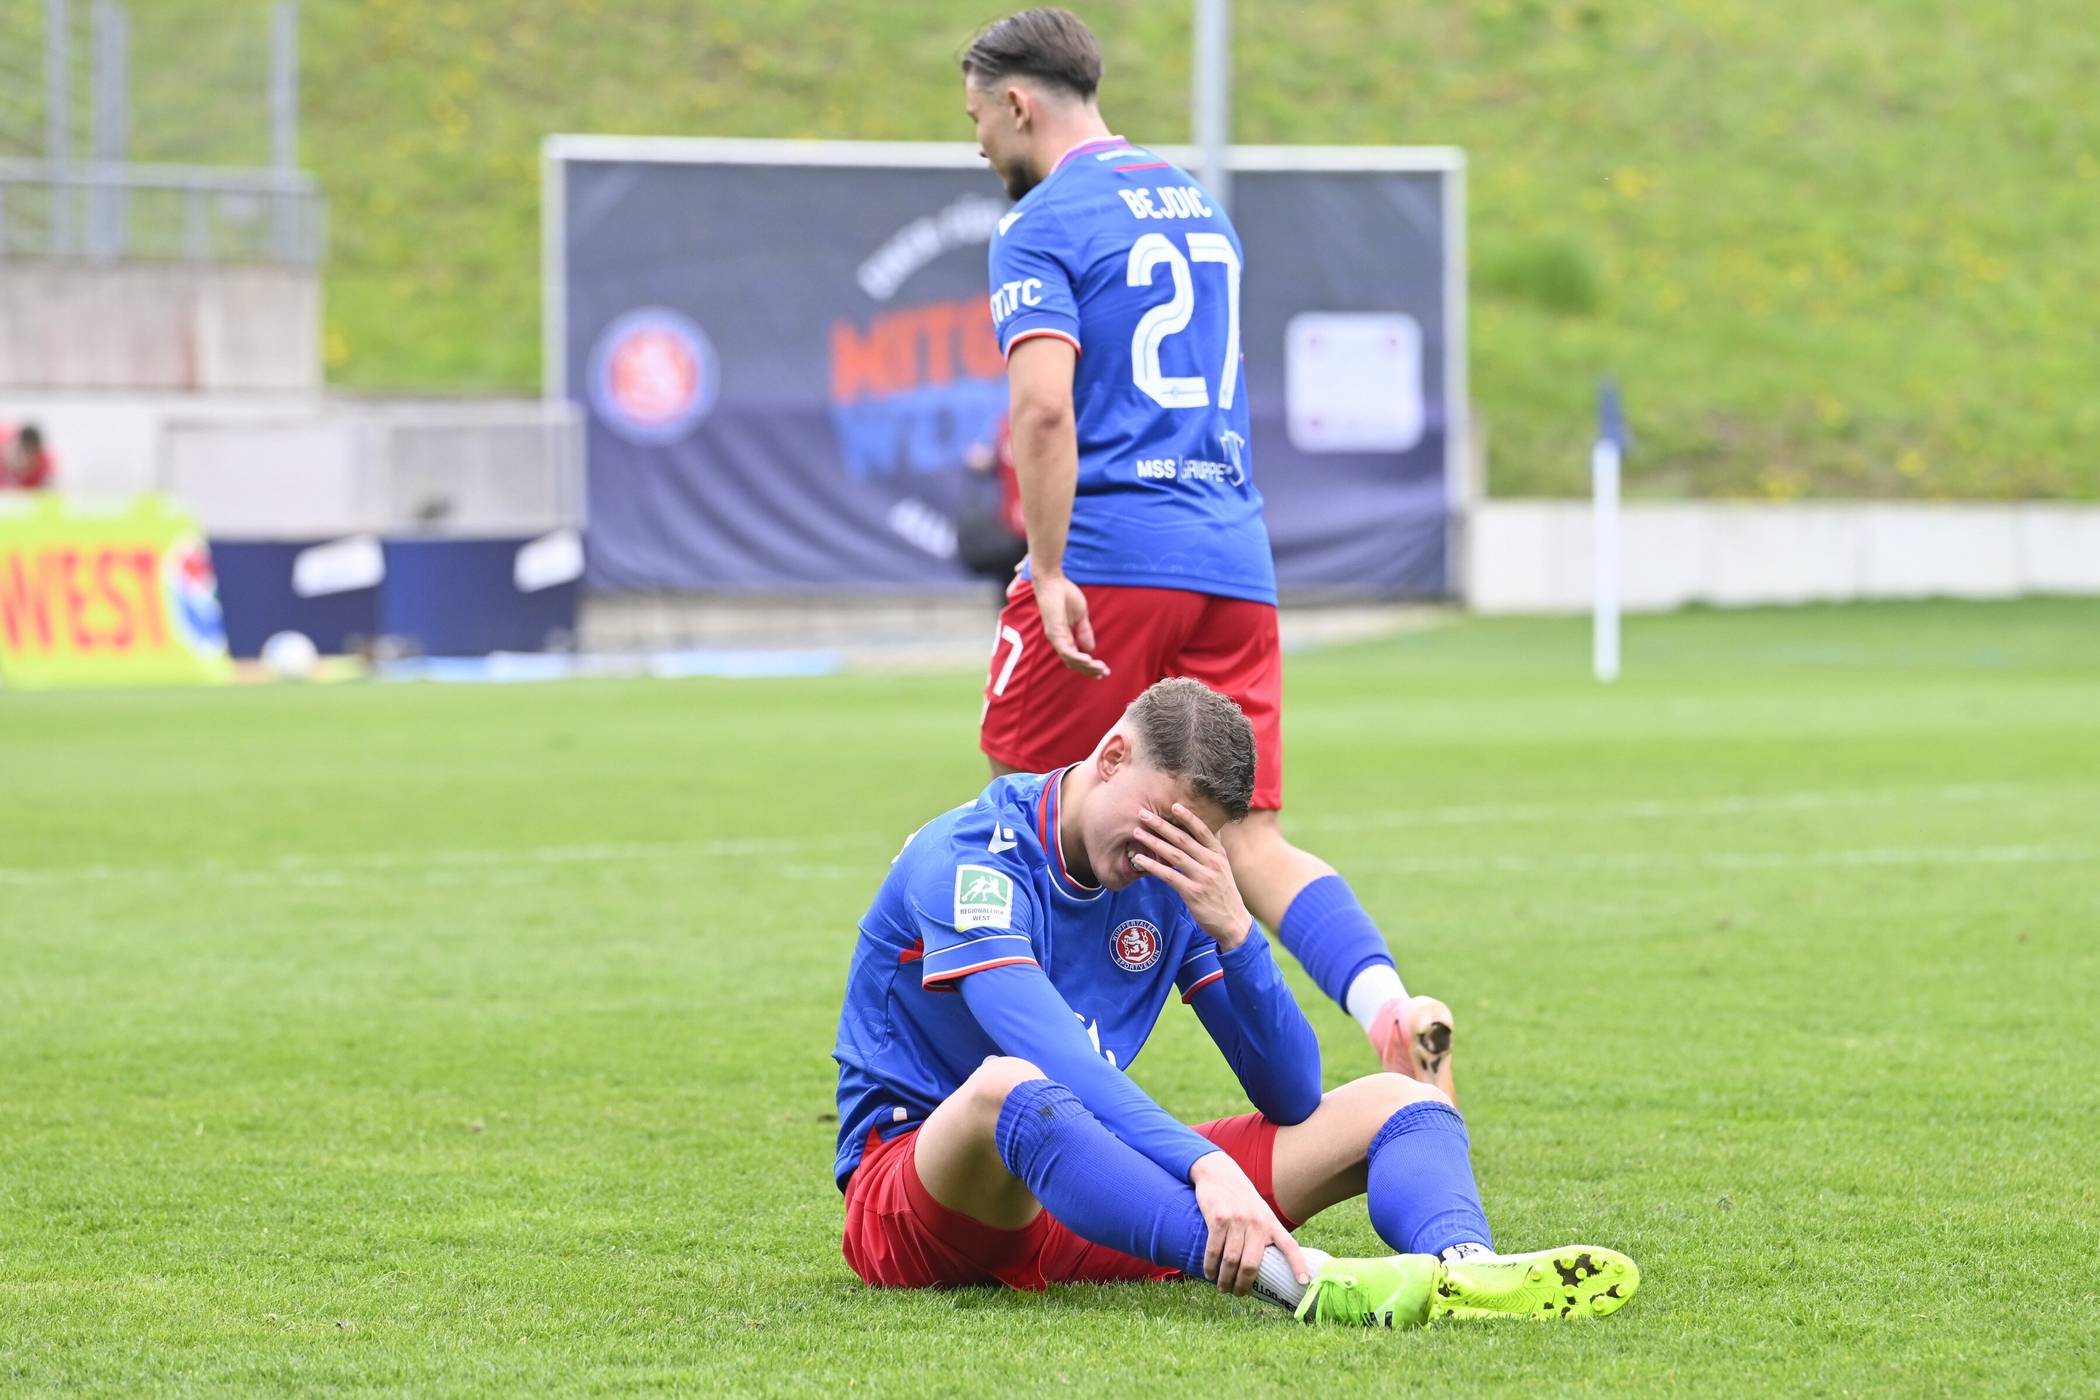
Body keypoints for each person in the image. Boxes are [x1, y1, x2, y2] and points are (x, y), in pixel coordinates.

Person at [961, 9, 1456, 1095]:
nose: (980, 149)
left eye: (978, 124)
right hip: (1233, 559)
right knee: (1251, 836)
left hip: (1110, 559)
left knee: (1021, 813)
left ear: (1018, 104)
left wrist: (1046, 570)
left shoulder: (1041, 222)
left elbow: (1045, 412)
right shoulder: (1199, 205)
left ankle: (1044, 1076)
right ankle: (1387, 1005)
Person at [831, 677, 1639, 1323]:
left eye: (1194, 836)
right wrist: (1205, 1163)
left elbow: (1289, 1092)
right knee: (1008, 1086)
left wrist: (1236, 932)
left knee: (1400, 1102)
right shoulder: (971, 857)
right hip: (917, 1199)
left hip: (1090, 1195)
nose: (1164, 852)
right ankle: (1301, 1280)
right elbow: (1052, 1058)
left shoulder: (1175, 883)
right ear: (1111, 756)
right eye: (1157, 819)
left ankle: (1467, 1270)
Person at [0, 422, 54, 491]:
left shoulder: (45, 467)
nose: (24, 460)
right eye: (20, 454)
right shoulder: (4, 443)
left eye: (30, 456)